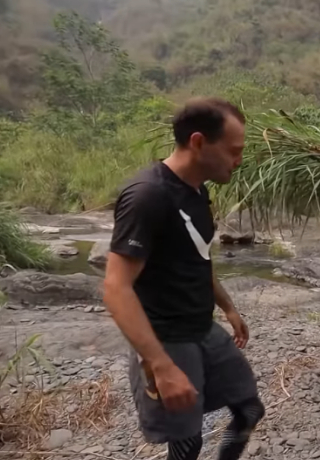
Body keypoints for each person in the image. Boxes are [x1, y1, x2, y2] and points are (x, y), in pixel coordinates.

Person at [103, 97, 264, 460]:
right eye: (233, 150)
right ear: (198, 142)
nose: (238, 160)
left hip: (201, 328)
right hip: (166, 339)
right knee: (187, 442)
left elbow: (198, 256)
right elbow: (115, 288)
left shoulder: (197, 191)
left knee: (250, 409)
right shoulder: (148, 195)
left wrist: (228, 307)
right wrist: (160, 365)